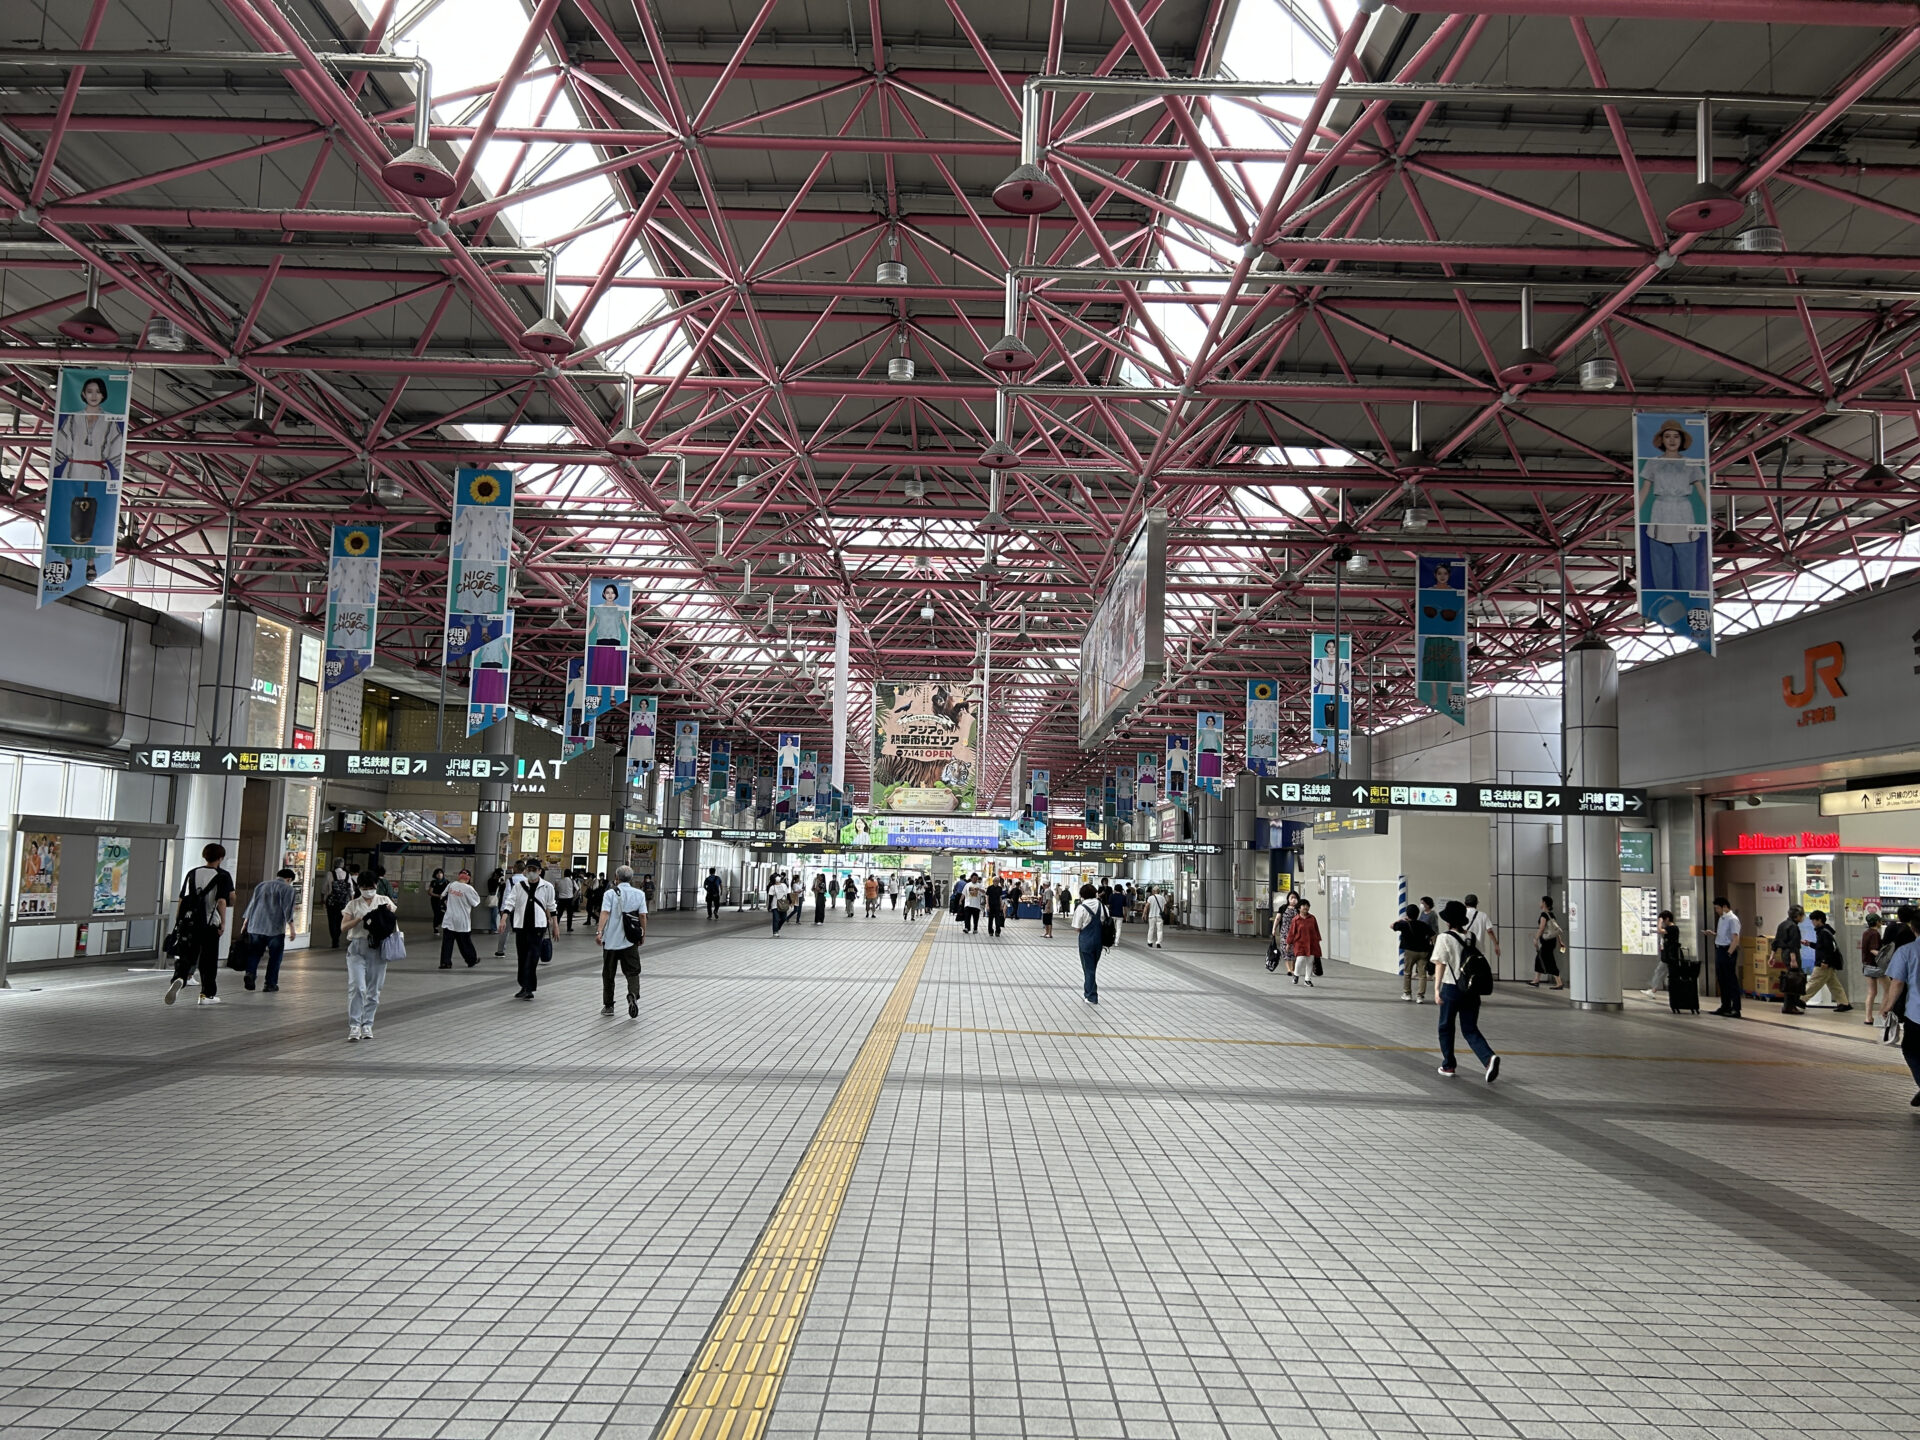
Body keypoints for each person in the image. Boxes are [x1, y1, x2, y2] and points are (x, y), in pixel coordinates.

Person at [1432, 899, 1500, 1082]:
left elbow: (1440, 964)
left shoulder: (1444, 938)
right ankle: (1488, 1058)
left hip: (1451, 989)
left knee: (1445, 1027)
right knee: (1470, 1028)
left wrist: (1436, 990)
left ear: (1448, 921)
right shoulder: (1472, 937)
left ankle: (1448, 1065)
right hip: (1471, 989)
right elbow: (1480, 956)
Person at [165, 842, 235, 1006]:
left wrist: (178, 921)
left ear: (204, 856)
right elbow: (222, 901)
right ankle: (206, 995)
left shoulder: (192, 873)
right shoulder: (223, 876)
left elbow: (182, 899)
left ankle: (180, 978)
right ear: (220, 858)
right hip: (210, 924)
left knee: (187, 954)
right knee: (208, 960)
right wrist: (223, 923)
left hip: (190, 923)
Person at [341, 871, 399, 1042]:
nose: (369, 891)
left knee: (374, 990)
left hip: (378, 949)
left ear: (376, 886)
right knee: (357, 987)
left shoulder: (384, 900)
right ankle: (354, 1025)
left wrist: (386, 913)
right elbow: (343, 927)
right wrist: (358, 919)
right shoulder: (353, 904)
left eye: (372, 887)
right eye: (365, 888)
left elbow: (391, 921)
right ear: (359, 887)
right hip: (357, 948)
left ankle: (367, 1024)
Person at [1877, 916, 1920, 1105]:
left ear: (1913, 928)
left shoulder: (1907, 951)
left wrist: (1889, 1005)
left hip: (1917, 1013)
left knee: (1911, 1050)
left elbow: (1898, 982)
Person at [596, 864, 647, 1019]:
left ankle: (609, 1005)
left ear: (616, 878)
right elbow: (643, 916)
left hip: (611, 941)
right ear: (631, 879)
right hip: (630, 941)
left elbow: (605, 912)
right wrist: (642, 934)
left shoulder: (610, 894)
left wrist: (599, 932)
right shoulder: (639, 894)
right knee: (633, 971)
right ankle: (633, 994)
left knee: (608, 974)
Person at [239, 866, 298, 992]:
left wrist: (245, 922)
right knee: (275, 957)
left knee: (254, 954)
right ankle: (270, 984)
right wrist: (292, 928)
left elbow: (252, 904)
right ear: (289, 879)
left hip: (256, 926)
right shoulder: (288, 888)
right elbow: (288, 909)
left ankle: (250, 974)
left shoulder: (261, 885)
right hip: (274, 929)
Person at [505, 860, 555, 999]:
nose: (531, 872)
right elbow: (510, 902)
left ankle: (529, 988)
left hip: (538, 927)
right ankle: (523, 985)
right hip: (521, 926)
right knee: (522, 956)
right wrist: (504, 917)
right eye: (529, 869)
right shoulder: (519, 886)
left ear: (540, 871)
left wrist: (555, 925)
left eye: (534, 869)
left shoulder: (547, 887)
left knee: (532, 957)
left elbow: (551, 906)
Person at [1804, 909, 1853, 1013]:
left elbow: (1828, 948)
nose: (1812, 923)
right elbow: (1822, 947)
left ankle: (1800, 1000)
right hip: (1829, 963)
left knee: (1814, 982)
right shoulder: (1825, 931)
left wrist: (1825, 961)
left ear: (1819, 920)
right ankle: (1844, 1003)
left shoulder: (1823, 932)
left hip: (1823, 963)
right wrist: (1810, 944)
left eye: (1813, 920)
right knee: (1834, 984)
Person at [438, 867, 482, 968]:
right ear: (468, 878)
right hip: (462, 920)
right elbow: (475, 903)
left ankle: (445, 962)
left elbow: (442, 896)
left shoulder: (451, 885)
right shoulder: (469, 889)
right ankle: (471, 960)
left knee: (447, 943)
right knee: (465, 942)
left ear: (459, 876)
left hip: (449, 919)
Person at [1070, 883, 1105, 1003]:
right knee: (1092, 967)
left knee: (1088, 969)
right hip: (1099, 941)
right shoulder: (1102, 906)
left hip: (1086, 941)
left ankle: (1091, 995)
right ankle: (1090, 992)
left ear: (1082, 895)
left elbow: (1077, 927)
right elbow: (1106, 921)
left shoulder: (1081, 908)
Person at [1709, 897, 1743, 1017]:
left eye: (1717, 908)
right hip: (1720, 949)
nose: (1716, 910)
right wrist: (1714, 934)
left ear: (1724, 907)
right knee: (1722, 979)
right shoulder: (1722, 919)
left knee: (1731, 980)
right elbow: (1724, 935)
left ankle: (1736, 1008)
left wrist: (1729, 953)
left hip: (1727, 951)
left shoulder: (1733, 919)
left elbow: (1735, 939)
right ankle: (1725, 1005)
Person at [1864, 912, 1899, 1028]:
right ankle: (1880, 1016)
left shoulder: (1866, 933)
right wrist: (1884, 957)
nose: (1881, 922)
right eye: (1880, 921)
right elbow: (1873, 949)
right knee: (1889, 990)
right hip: (1877, 967)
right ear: (1877, 922)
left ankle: (1868, 1018)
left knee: (1871, 992)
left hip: (1867, 966)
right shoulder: (1875, 934)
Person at [1395, 903, 1434, 1003]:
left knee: (1407, 973)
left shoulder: (1404, 924)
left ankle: (1407, 994)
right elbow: (1433, 934)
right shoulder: (1423, 924)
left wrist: (1401, 919)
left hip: (1410, 952)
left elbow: (1392, 926)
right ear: (1417, 914)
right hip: (1423, 952)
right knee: (1422, 975)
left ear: (1407, 914)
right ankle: (1420, 996)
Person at [1772, 906, 1808, 1015]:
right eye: (1802, 915)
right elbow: (1793, 944)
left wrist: (1772, 956)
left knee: (1791, 978)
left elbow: (1776, 941)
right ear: (1797, 916)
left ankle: (1789, 1005)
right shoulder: (1793, 927)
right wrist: (1793, 959)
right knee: (1795, 979)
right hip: (1792, 954)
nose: (1803, 917)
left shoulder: (1782, 925)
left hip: (1784, 953)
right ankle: (1790, 1006)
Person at [1644, 909, 1682, 995]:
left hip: (1670, 955)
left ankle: (1653, 990)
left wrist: (1659, 922)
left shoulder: (1672, 928)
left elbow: (1659, 930)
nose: (1663, 922)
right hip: (1669, 955)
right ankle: (1653, 989)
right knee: (1661, 972)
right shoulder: (1672, 928)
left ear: (1667, 919)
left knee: (1660, 971)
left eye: (1663, 920)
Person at [1530, 896, 1563, 990]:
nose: (1540, 903)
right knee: (1539, 959)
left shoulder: (1544, 915)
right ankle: (1536, 980)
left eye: (1541, 901)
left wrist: (1535, 938)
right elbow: (1555, 930)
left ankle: (1559, 982)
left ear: (1544, 903)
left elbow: (1541, 928)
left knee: (1549, 961)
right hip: (1551, 941)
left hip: (1547, 942)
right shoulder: (1551, 915)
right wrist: (1560, 941)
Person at [1463, 893, 1501, 973]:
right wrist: (1496, 944)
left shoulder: (1461, 914)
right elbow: (1490, 931)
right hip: (1478, 948)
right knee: (1477, 971)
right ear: (1477, 903)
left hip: (1463, 947)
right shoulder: (1483, 915)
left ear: (1465, 903)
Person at [1289, 898, 1322, 987]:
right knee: (1300, 959)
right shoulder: (1296, 920)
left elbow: (1316, 930)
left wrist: (1318, 941)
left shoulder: (1312, 918)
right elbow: (1292, 932)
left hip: (1311, 943)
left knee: (1310, 961)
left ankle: (1307, 979)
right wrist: (1288, 943)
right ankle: (1296, 975)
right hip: (1299, 943)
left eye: (1307, 906)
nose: (1306, 907)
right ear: (1299, 908)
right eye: (1304, 906)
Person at [1269, 893, 1299, 974]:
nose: (1293, 899)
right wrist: (1274, 929)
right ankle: (1289, 969)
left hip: (1297, 933)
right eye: (1292, 897)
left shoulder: (1299, 908)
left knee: (1295, 951)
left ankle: (1293, 968)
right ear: (1288, 898)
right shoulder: (1283, 907)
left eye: (1295, 897)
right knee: (1285, 950)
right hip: (1284, 932)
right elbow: (1278, 918)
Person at [325, 860, 350, 948]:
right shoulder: (347, 875)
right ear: (343, 865)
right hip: (343, 902)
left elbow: (325, 888)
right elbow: (351, 890)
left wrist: (322, 898)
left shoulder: (330, 874)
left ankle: (334, 939)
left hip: (332, 902)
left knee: (332, 921)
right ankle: (337, 937)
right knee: (340, 920)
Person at [552, 867, 578, 932]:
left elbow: (556, 890)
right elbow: (577, 889)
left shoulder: (559, 881)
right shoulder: (572, 881)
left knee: (559, 914)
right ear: (570, 875)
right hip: (569, 899)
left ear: (564, 874)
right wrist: (574, 897)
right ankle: (569, 928)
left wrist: (558, 895)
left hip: (561, 899)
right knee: (569, 915)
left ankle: (556, 926)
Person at [428, 867, 449, 934]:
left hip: (444, 901)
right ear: (435, 875)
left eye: (441, 873)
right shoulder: (433, 882)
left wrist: (445, 899)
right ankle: (436, 928)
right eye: (437, 873)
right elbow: (430, 892)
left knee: (443, 914)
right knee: (437, 914)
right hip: (435, 900)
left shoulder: (446, 882)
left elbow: (449, 892)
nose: (439, 874)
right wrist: (438, 895)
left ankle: (444, 927)